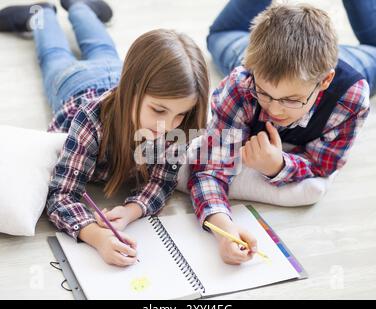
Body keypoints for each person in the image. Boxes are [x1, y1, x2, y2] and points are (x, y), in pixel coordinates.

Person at [0, 0, 209, 267]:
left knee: (101, 47)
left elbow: (162, 182)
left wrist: (130, 211)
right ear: (133, 91)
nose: (168, 126)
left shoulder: (177, 122)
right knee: (53, 54)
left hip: (113, 74)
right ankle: (41, 13)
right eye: (159, 110)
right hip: (74, 84)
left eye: (180, 114)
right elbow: (61, 194)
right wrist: (96, 236)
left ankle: (80, 7)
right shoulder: (90, 121)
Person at [188, 0, 371, 265]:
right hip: (243, 51)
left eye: (291, 99)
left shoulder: (350, 98)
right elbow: (209, 166)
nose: (274, 109)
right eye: (264, 93)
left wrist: (278, 166)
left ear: (325, 81)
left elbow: (323, 165)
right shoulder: (242, 84)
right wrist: (224, 230)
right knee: (219, 36)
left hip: (350, 63)